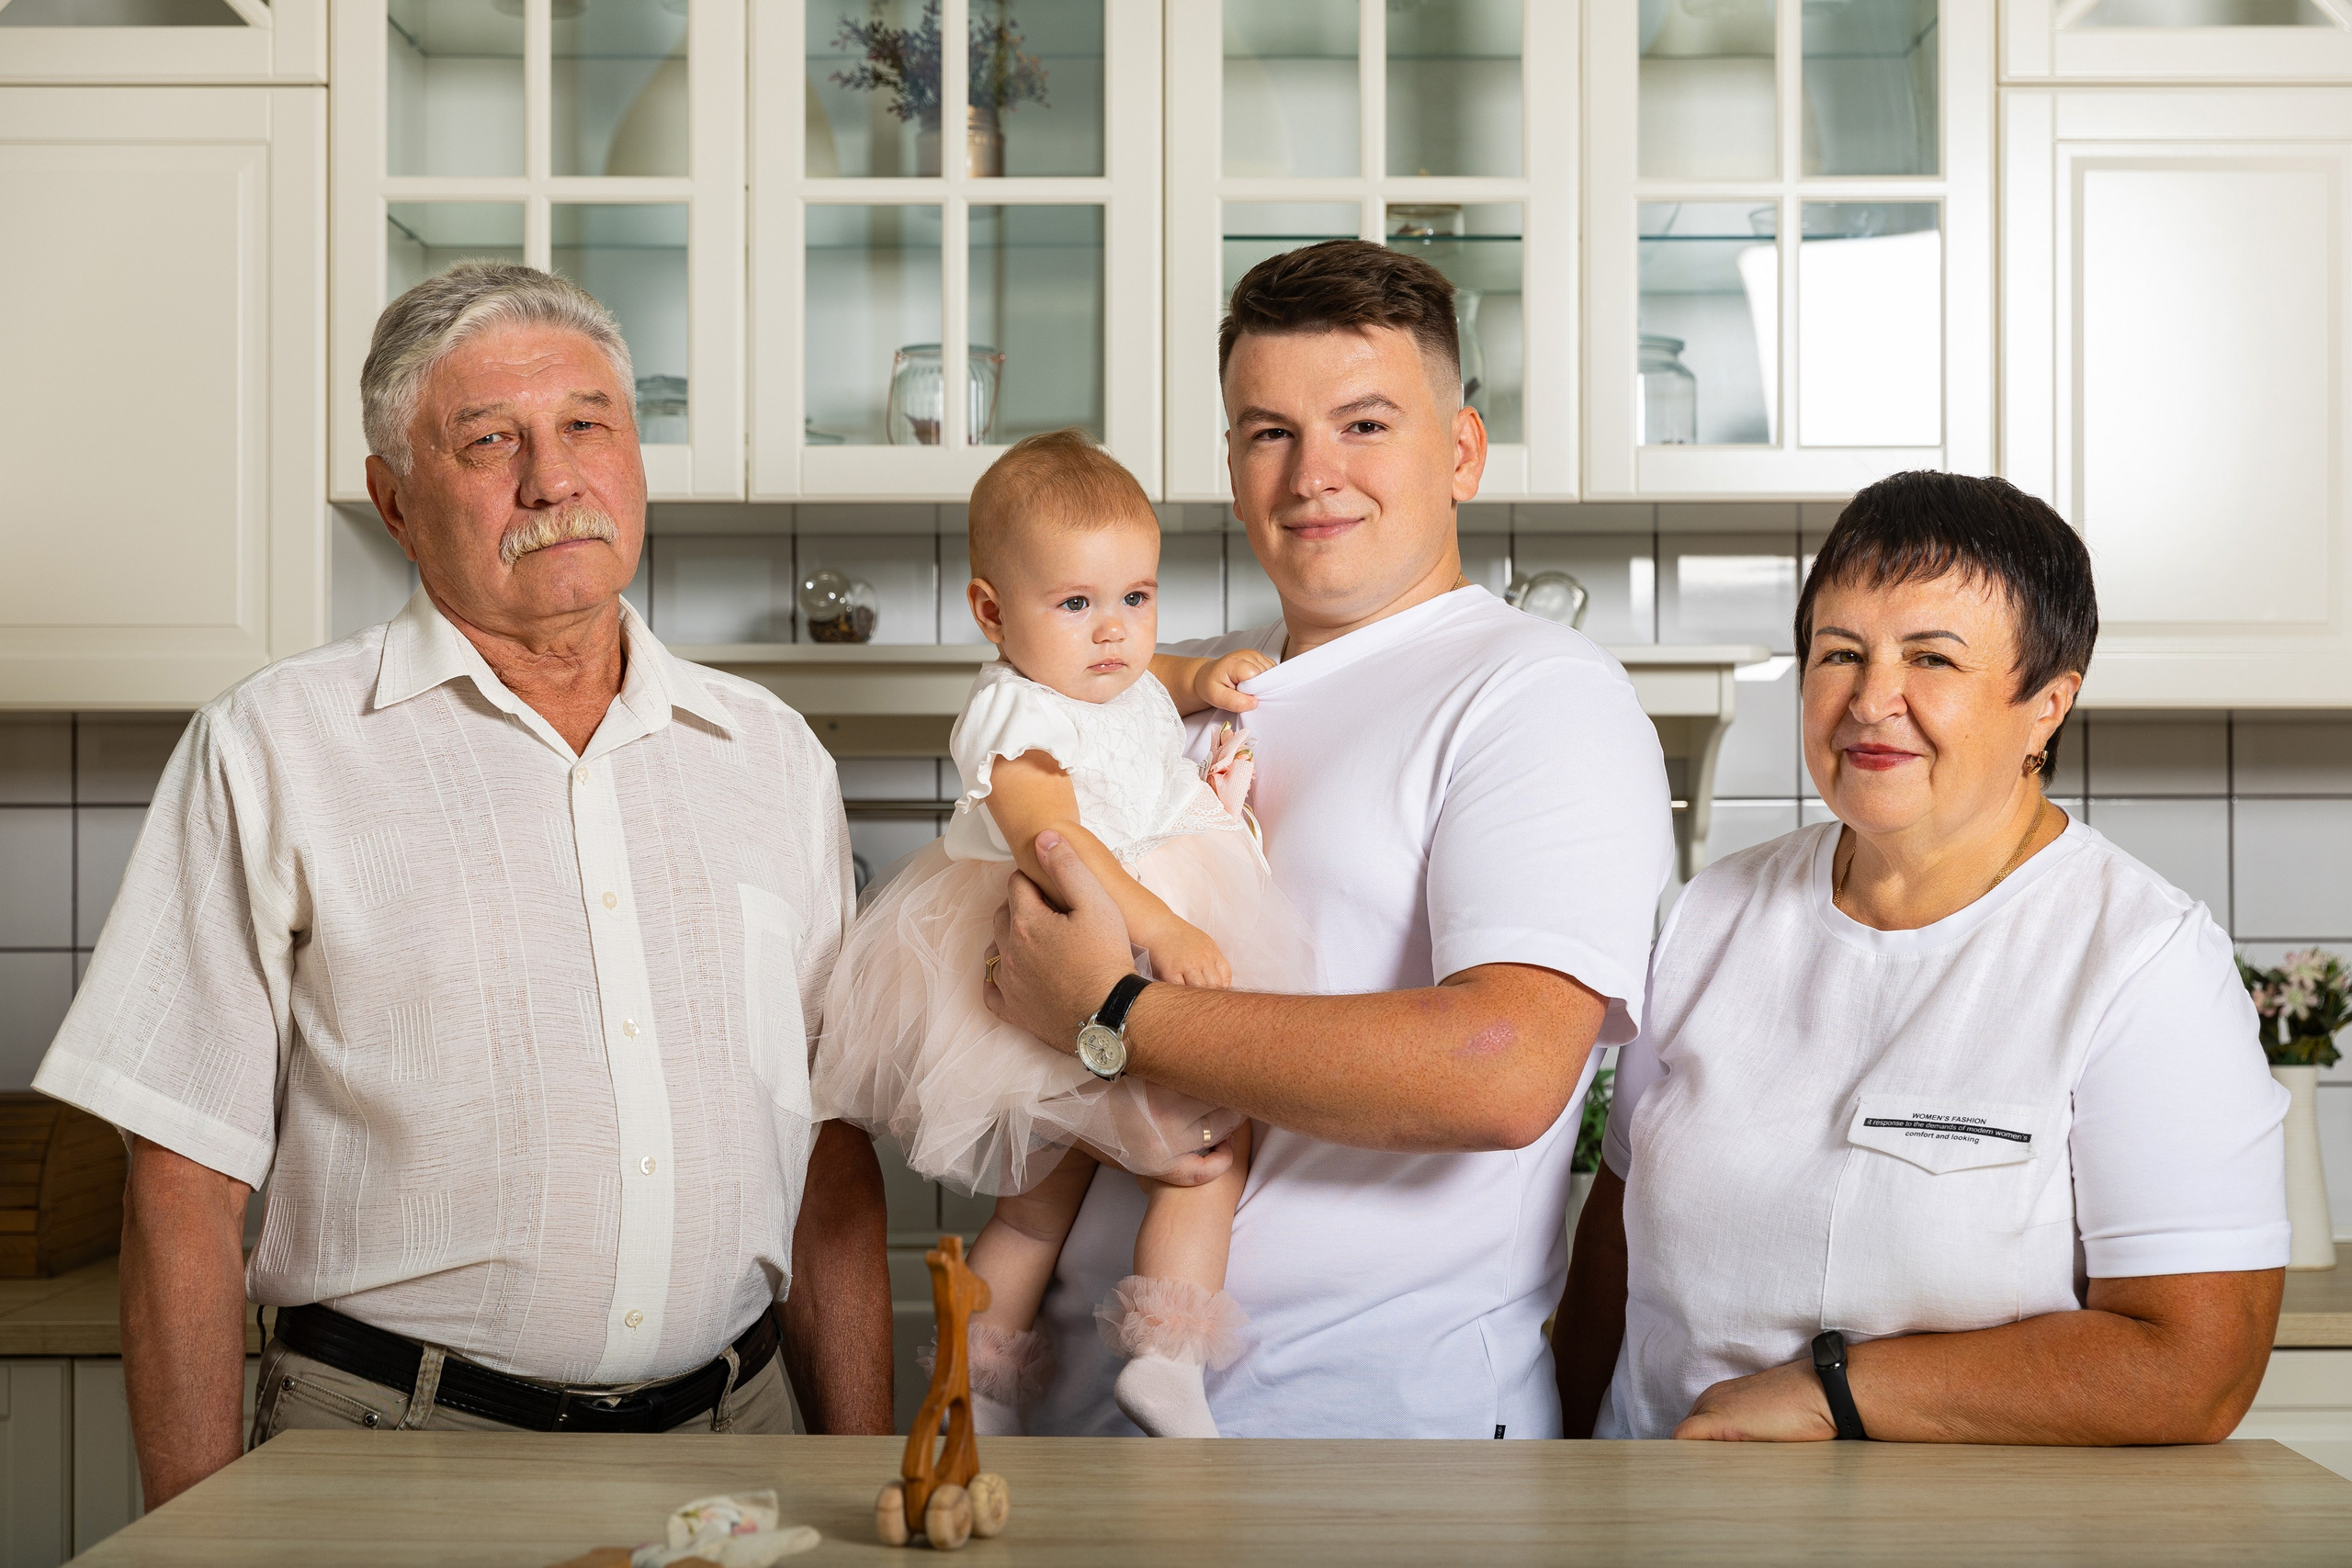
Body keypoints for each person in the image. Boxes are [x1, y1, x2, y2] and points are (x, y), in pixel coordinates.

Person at [31, 262, 892, 1506]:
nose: (554, 479)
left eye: (587, 425)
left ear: (635, 454)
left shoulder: (772, 757)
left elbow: (830, 1155)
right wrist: (191, 1537)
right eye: (491, 441)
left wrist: (864, 1480)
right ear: (394, 498)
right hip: (389, 1448)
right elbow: (182, 1185)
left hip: (737, 1443)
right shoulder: (275, 745)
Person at [980, 241, 1677, 1438]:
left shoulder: (1534, 690)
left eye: (1364, 423)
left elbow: (1501, 1067)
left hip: (1366, 1445)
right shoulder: (1177, 692)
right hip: (1085, 1431)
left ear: (1460, 452)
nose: (1313, 474)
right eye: (1269, 432)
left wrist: (1114, 1017)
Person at [1555, 471, 2290, 1445]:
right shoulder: (1705, 918)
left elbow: (2194, 1368)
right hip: (1653, 1518)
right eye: (1840, 652)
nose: (1871, 700)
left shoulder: (2140, 960)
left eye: (1931, 658)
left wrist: (1834, 1391)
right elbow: (1610, 1255)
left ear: (2047, 704)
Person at [816, 430, 1312, 1439]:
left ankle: (982, 1392)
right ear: (991, 611)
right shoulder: (1009, 711)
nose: (1114, 633)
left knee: (1036, 1208)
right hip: (1081, 937)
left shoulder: (1115, 673)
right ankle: (1146, 1360)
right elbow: (1056, 836)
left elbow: (1151, 678)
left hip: (1105, 945)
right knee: (1207, 1150)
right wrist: (1163, 924)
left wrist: (1203, 673)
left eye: (1136, 596)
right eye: (1077, 604)